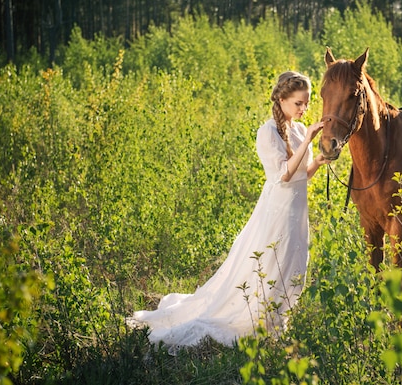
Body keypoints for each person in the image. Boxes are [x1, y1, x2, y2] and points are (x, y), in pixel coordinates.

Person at [131, 71, 330, 353]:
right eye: (298, 103)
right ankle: (256, 319)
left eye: (307, 103)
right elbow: (284, 175)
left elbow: (302, 175)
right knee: (271, 261)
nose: (304, 109)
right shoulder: (268, 132)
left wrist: (319, 160)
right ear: (282, 99)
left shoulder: (298, 130)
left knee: (291, 263)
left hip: (298, 208)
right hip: (278, 208)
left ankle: (276, 321)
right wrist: (309, 139)